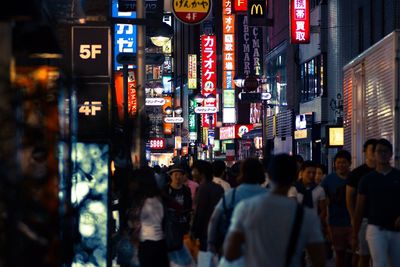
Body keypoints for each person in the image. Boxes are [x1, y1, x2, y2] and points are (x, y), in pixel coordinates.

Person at [223, 154, 325, 267]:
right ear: (294, 177)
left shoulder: (246, 208)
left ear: (268, 176)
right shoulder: (307, 215)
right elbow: (319, 260)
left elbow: (230, 253)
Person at [353, 138, 400, 267]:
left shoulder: (398, 176)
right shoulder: (366, 180)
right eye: (379, 151)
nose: (382, 154)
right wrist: (354, 233)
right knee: (380, 263)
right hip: (375, 229)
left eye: (386, 151)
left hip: (396, 229)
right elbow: (359, 208)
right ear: (374, 155)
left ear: (391, 154)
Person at [207, 158, 268, 257]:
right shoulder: (268, 195)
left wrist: (211, 244)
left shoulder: (232, 195)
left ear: (242, 173)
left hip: (234, 248)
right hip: (261, 249)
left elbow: (214, 219)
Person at [128, 166, 169, 267]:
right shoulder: (160, 197)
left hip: (146, 243)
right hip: (161, 243)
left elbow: (132, 223)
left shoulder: (140, 202)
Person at [346, 138, 377, 267]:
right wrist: (353, 218)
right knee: (363, 256)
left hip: (382, 221)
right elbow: (349, 198)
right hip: (363, 219)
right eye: (373, 150)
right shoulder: (357, 174)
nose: (376, 153)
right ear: (365, 152)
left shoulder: (385, 172)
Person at [321, 150, 353, 267]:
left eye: (344, 162)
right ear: (334, 164)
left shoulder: (354, 178)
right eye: (338, 162)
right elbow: (323, 202)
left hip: (352, 223)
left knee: (355, 254)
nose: (341, 165)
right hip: (335, 223)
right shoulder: (328, 180)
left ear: (349, 163)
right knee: (339, 254)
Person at [190, 160, 224, 267]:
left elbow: (200, 213)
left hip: (205, 234)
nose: (192, 173)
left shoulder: (203, 189)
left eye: (194, 171)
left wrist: (194, 231)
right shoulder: (218, 188)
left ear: (201, 173)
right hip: (217, 233)